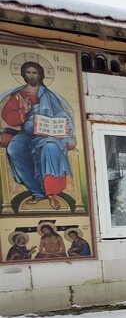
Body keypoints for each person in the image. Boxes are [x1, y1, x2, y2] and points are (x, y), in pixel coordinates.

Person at [0, 61, 76, 210]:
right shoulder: (18, 95)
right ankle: (36, 192)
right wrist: (24, 111)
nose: (31, 76)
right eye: (28, 72)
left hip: (47, 133)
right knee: (13, 149)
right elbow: (8, 116)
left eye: (35, 73)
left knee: (49, 148)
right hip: (27, 132)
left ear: (40, 75)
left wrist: (64, 125)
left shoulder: (48, 95)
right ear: (23, 75)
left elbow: (61, 113)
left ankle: (51, 193)